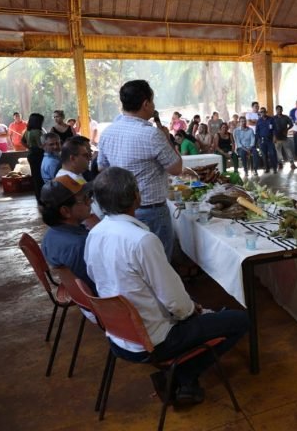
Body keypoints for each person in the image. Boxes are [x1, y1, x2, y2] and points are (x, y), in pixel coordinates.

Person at [85, 167, 249, 405]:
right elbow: (177, 304)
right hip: (155, 340)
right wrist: (194, 310)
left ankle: (185, 377)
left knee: (206, 313)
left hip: (119, 336)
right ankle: (185, 373)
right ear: (136, 197)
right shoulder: (141, 240)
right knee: (239, 320)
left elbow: (96, 277)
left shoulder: (95, 233)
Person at [97, 80, 183, 261]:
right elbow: (176, 168)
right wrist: (168, 140)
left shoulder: (108, 132)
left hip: (120, 211)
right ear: (145, 104)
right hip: (151, 211)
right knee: (158, 264)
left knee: (132, 261)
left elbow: (102, 169)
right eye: (152, 101)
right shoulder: (152, 135)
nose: (153, 106)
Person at [40, 175, 96, 293]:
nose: (90, 200)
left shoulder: (50, 236)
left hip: (81, 298)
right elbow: (97, 285)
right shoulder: (80, 245)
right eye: (85, 198)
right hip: (98, 303)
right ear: (65, 211)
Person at [22, 113, 46, 203]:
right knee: (41, 177)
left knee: (35, 178)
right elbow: (41, 146)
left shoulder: (27, 131)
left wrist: (30, 148)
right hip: (39, 155)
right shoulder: (37, 132)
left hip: (31, 155)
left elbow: (22, 142)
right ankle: (43, 198)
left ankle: (38, 198)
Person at [273, 105, 297, 171]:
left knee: (288, 150)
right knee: (278, 151)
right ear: (276, 110)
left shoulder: (286, 117)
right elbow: (271, 128)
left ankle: (292, 164)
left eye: (280, 109)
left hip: (284, 137)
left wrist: (287, 129)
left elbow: (291, 124)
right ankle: (280, 164)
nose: (279, 111)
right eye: (277, 109)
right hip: (277, 137)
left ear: (282, 110)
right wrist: (274, 136)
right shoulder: (273, 118)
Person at [254, 107, 277, 173]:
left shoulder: (271, 119)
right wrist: (257, 141)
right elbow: (257, 131)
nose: (263, 113)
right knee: (264, 155)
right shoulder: (259, 121)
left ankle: (275, 168)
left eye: (264, 111)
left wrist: (274, 137)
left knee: (272, 154)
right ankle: (267, 168)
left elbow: (274, 129)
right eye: (261, 112)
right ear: (260, 113)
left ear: (266, 112)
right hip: (262, 140)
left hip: (270, 140)